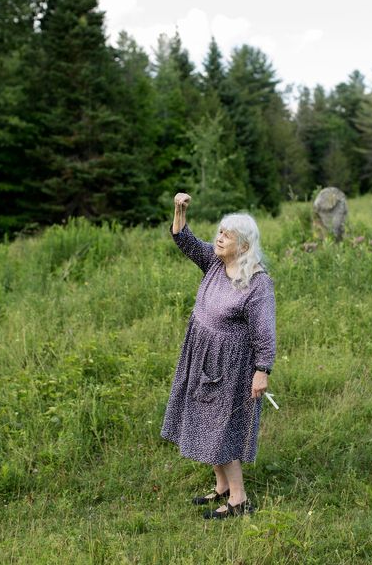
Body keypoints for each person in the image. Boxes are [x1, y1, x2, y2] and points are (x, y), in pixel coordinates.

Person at [160, 192, 277, 519]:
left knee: (221, 429)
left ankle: (239, 500)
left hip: (231, 365)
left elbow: (264, 331)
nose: (219, 237)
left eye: (227, 235)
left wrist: (262, 369)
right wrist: (179, 210)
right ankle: (222, 486)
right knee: (202, 417)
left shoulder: (257, 282)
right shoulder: (213, 261)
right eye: (220, 232)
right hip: (200, 355)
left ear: (243, 245)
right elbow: (184, 240)